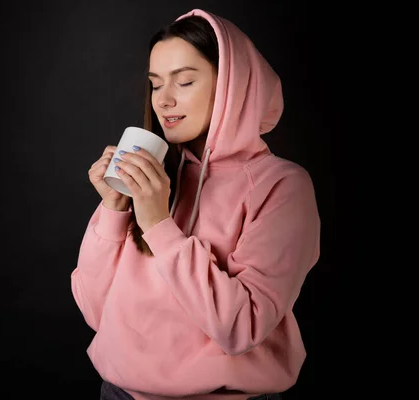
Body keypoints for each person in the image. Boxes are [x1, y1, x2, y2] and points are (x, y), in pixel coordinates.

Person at [71, 8, 320, 400]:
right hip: (119, 393)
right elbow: (94, 310)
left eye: (184, 81)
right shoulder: (156, 175)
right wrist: (114, 211)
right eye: (155, 84)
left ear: (232, 87)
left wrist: (158, 224)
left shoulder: (282, 186)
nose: (164, 100)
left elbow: (242, 328)